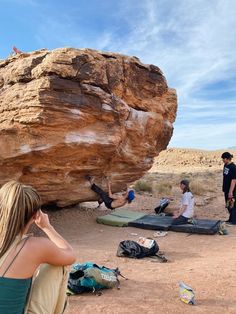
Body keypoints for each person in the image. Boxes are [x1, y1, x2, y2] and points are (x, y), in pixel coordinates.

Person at [0, 180, 76, 314]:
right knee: (59, 266)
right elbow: (70, 255)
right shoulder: (35, 247)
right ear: (35, 215)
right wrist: (47, 227)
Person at [221, 152, 236, 224]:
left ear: (227, 159)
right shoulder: (225, 165)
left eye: (223, 159)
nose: (223, 160)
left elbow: (234, 180)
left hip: (232, 190)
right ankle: (231, 219)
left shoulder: (233, 167)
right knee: (228, 205)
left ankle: (234, 221)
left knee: (232, 205)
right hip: (226, 189)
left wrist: (231, 191)